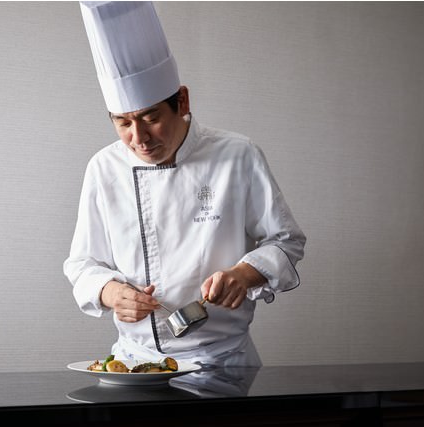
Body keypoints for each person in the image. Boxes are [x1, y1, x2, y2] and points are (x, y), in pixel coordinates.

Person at [64, 1, 306, 367]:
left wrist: (244, 274)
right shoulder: (103, 168)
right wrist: (109, 292)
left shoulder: (237, 155)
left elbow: (286, 241)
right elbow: (82, 263)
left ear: (182, 101)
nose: (138, 138)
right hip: (133, 361)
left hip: (220, 360)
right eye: (123, 123)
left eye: (150, 118)